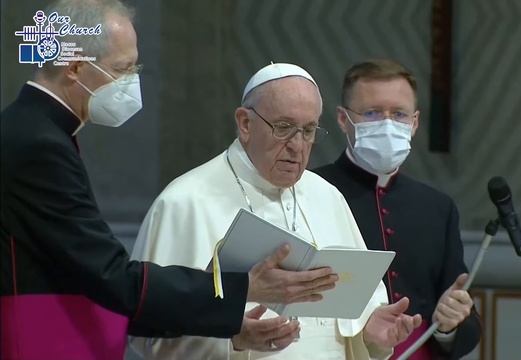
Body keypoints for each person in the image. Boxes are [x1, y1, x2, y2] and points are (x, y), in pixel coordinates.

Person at [0, 2, 336, 359]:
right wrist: (241, 288)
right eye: (122, 69)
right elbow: (108, 277)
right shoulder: (39, 144)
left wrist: (229, 329)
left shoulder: (38, 131)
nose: (131, 82)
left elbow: (89, 275)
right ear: (75, 67)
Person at [129, 62, 423, 360]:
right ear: (245, 123)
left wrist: (371, 334)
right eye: (283, 128)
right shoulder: (184, 202)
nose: (297, 145)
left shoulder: (328, 197)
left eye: (308, 130)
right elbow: (147, 339)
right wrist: (233, 339)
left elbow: (358, 316)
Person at [314, 59, 482, 359]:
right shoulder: (309, 191)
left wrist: (450, 323)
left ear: (414, 123)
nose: (387, 123)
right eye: (372, 113)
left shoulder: (437, 208)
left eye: (399, 114)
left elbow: (460, 318)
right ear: (342, 119)